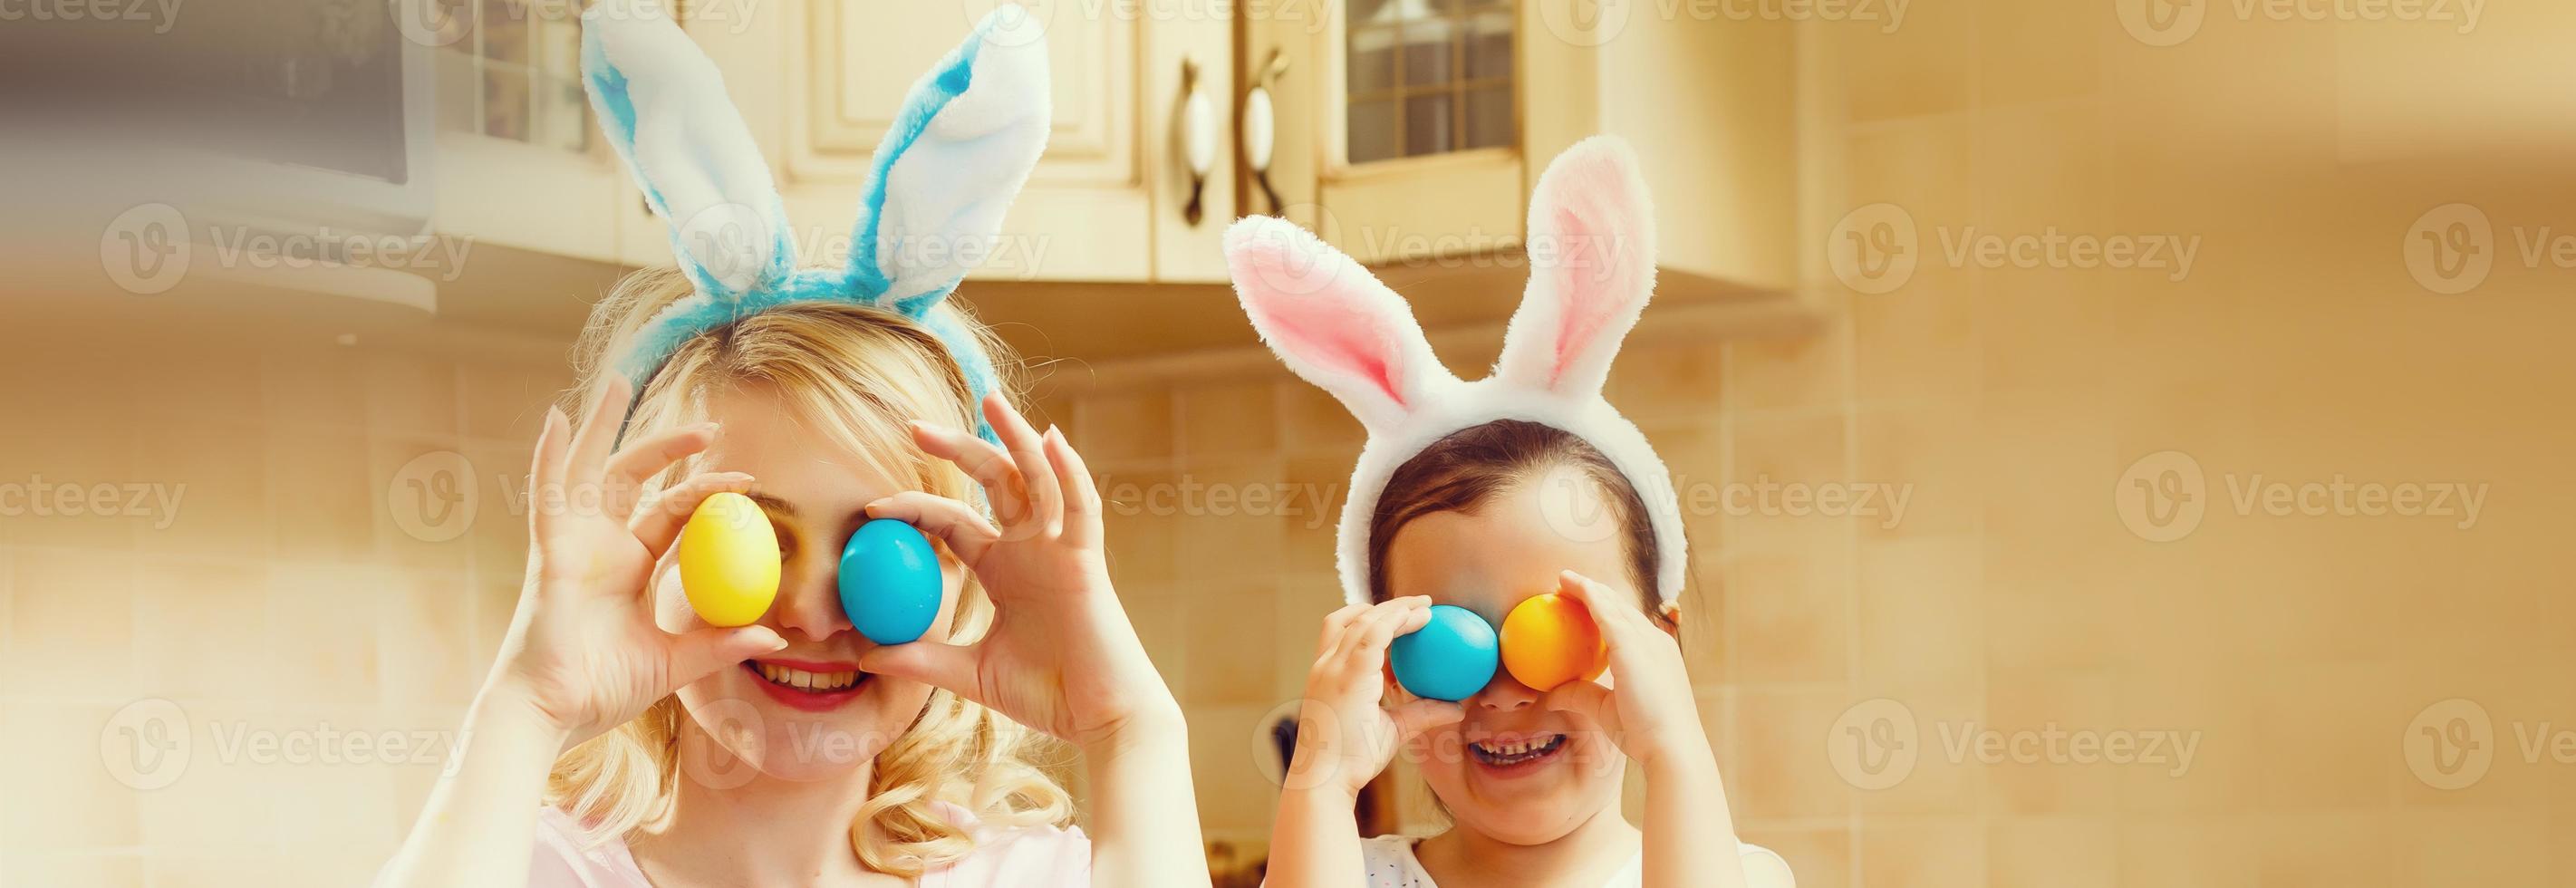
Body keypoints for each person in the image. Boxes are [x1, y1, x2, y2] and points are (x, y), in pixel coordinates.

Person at [1227, 137, 1793, 888]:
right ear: (1386, 673)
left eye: (1556, 633)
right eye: (1444, 646)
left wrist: (1674, 752)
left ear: (1656, 649)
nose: (1501, 693)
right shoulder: (1345, 874)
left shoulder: (1727, 872)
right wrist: (1323, 782)